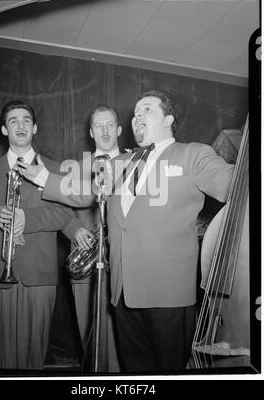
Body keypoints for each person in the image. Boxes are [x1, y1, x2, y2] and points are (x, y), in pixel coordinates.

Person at [18, 91, 234, 372]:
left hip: (167, 294)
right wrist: (46, 177)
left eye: (147, 109)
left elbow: (235, 185)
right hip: (123, 294)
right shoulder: (121, 163)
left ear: (168, 119)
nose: (137, 116)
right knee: (135, 371)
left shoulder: (193, 154)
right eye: (135, 112)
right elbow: (87, 193)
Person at [0, 100, 81, 370]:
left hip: (39, 273)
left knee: (34, 356)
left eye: (25, 120)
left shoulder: (54, 169)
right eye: (13, 121)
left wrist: (26, 218)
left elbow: (65, 215)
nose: (20, 125)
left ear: (35, 128)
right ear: (4, 130)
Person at [62, 105, 122, 372]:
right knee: (91, 339)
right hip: (87, 262)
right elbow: (60, 211)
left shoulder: (137, 166)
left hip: (126, 263)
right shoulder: (76, 169)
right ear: (91, 132)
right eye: (99, 125)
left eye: (110, 124)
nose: (105, 130)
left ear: (119, 129)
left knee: (126, 341)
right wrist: (74, 228)